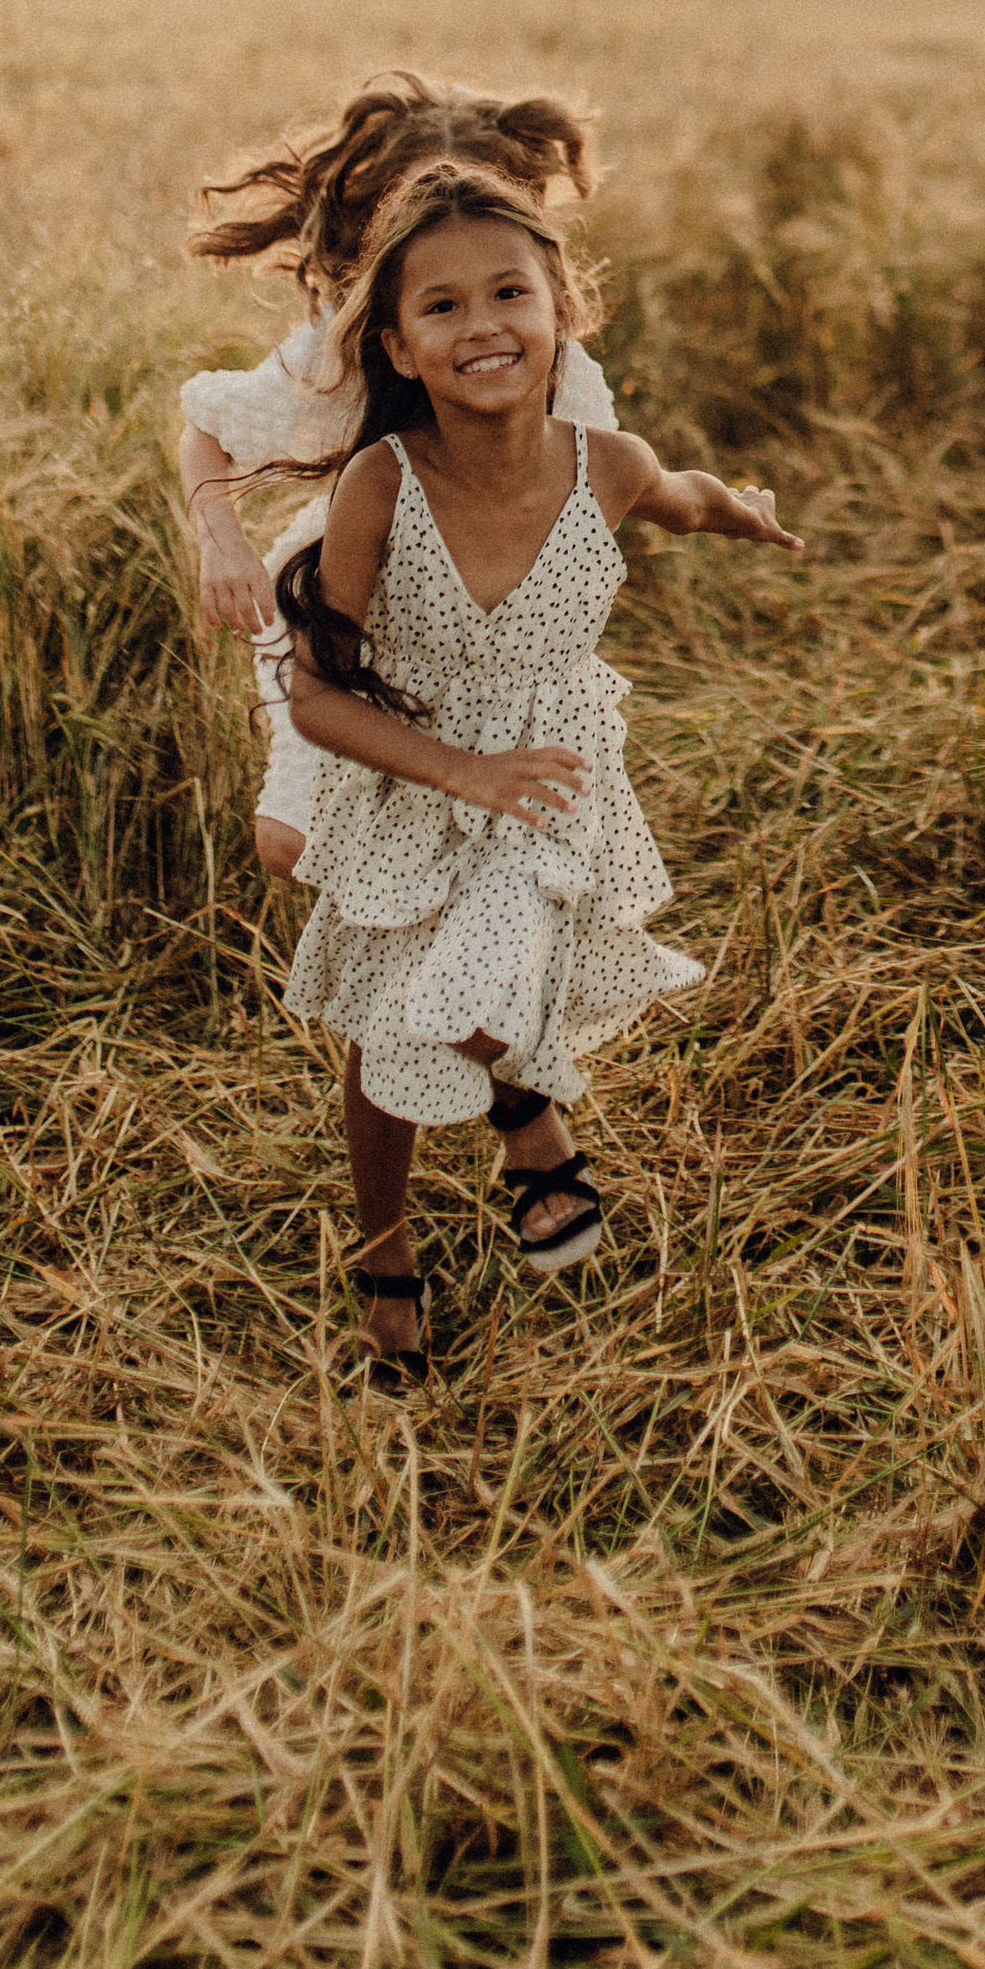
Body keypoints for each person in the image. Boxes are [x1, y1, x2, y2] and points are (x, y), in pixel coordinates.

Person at [273, 153, 800, 1378]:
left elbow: (681, 496)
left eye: (509, 294)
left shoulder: (603, 464)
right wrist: (459, 771)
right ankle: (390, 1251)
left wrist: (743, 509)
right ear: (399, 349)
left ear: (561, 312)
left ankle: (522, 1117)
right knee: (383, 1030)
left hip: (555, 778)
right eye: (441, 307)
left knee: (476, 975)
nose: (483, 326)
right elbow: (312, 695)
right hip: (413, 775)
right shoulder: (376, 488)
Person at [175, 72, 618, 881]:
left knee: (492, 843)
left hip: (491, 631)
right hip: (345, 600)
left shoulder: (556, 364)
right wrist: (223, 543)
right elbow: (205, 430)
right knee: (294, 844)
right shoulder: (341, 351)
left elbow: (596, 489)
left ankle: (460, 980)